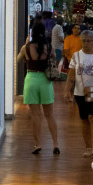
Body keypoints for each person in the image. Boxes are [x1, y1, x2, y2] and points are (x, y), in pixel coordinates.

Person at [17, 22, 59, 155]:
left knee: (36, 115)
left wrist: (26, 46)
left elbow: (18, 59)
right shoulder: (49, 47)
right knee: (50, 115)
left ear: (32, 33)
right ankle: (55, 144)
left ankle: (38, 144)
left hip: (31, 80)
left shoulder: (26, 47)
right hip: (45, 81)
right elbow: (54, 59)